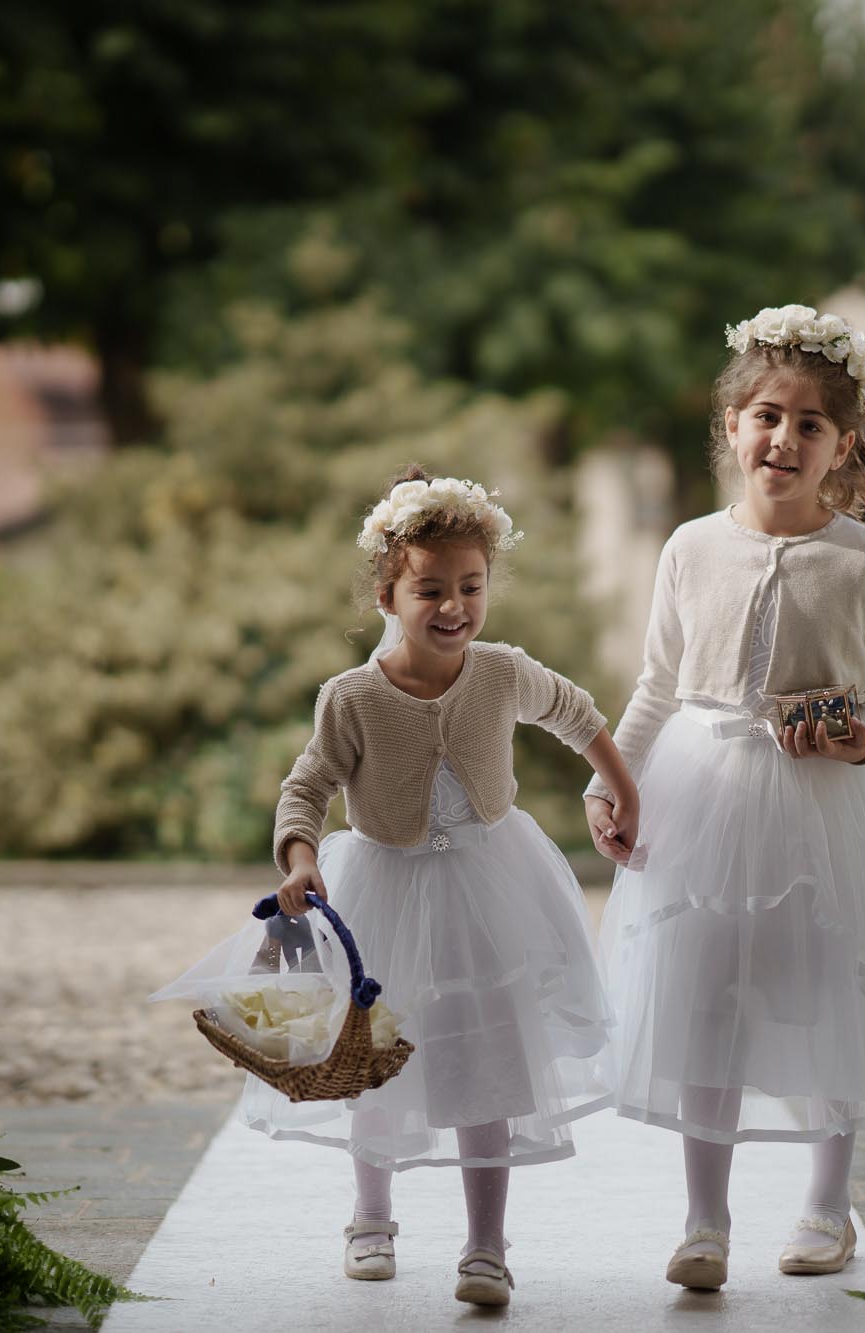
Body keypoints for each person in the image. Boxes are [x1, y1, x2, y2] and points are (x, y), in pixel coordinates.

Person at [584, 306, 865, 1290]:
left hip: (826, 804)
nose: (782, 437)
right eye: (764, 415)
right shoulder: (688, 547)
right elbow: (655, 683)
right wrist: (609, 782)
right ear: (730, 425)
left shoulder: (863, 558)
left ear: (840, 447)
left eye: (808, 424)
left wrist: (863, 732)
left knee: (828, 993)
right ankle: (703, 1216)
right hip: (701, 791)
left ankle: (826, 1206)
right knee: (701, 997)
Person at [249, 468, 638, 1308]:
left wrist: (621, 784)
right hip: (387, 887)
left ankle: (487, 1245)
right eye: (431, 588)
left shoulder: (500, 672)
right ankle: (371, 1217)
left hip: (490, 887)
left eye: (471, 585)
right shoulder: (350, 697)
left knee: (490, 1057)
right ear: (389, 592)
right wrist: (300, 854)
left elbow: (576, 711)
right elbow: (306, 785)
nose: (453, 604)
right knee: (376, 1059)